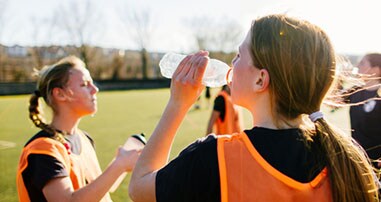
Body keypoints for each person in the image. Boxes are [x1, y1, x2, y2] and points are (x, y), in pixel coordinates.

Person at [129, 14, 379, 202]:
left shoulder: (213, 157)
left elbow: (139, 189)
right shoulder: (347, 161)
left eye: (238, 56)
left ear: (261, 79)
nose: (231, 64)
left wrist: (177, 104)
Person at [16, 56, 140, 202]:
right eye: (84, 84)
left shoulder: (84, 138)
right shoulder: (43, 149)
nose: (95, 90)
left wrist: (122, 164)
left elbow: (95, 189)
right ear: (60, 94)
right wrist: (119, 166)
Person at [348, 53, 381, 167]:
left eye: (362, 63)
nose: (358, 65)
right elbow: (334, 101)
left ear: (375, 70)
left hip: (376, 160)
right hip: (356, 155)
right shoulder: (355, 90)